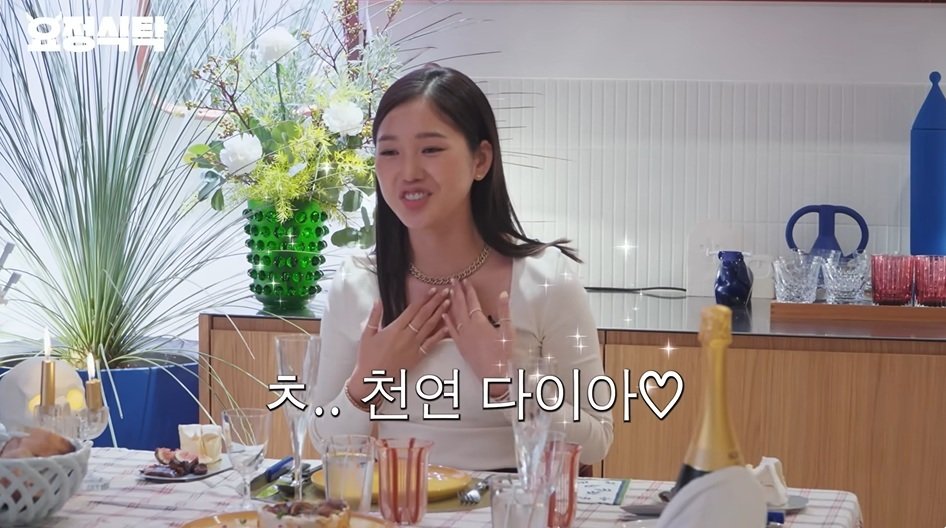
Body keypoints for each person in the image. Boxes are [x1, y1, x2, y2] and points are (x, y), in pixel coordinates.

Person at [310, 65, 613, 471]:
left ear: (480, 160)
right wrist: (365, 384)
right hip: (398, 500)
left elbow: (596, 443)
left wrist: (506, 381)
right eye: (389, 152)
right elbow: (323, 440)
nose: (408, 172)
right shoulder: (356, 283)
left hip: (514, 502)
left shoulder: (547, 281)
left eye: (431, 150)